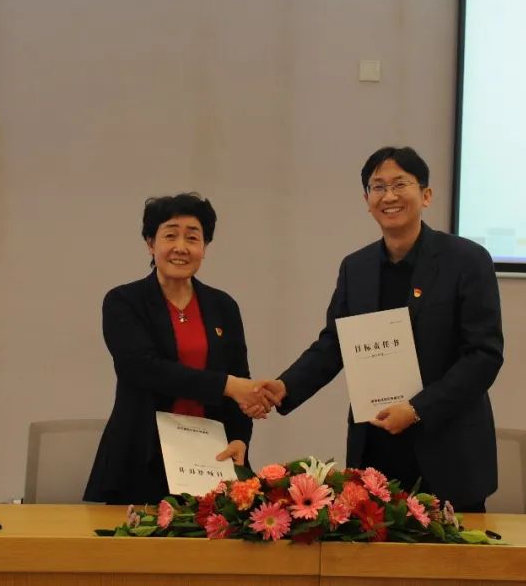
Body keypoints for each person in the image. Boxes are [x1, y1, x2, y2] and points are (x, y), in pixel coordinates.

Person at [255, 147, 504, 512]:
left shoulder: (467, 260)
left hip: (448, 450)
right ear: (367, 200)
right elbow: (334, 343)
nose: (389, 196)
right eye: (378, 187)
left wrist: (417, 409)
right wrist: (285, 387)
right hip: (376, 449)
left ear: (426, 195)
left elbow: (483, 356)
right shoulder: (356, 267)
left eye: (400, 184)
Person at [84, 193, 272, 505]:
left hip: (210, 457)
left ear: (205, 247)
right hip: (142, 457)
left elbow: (240, 377)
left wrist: (240, 437)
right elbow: (143, 368)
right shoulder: (123, 301)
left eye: (193, 238)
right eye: (170, 236)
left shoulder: (223, 306)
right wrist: (228, 386)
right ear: (150, 244)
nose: (181, 247)